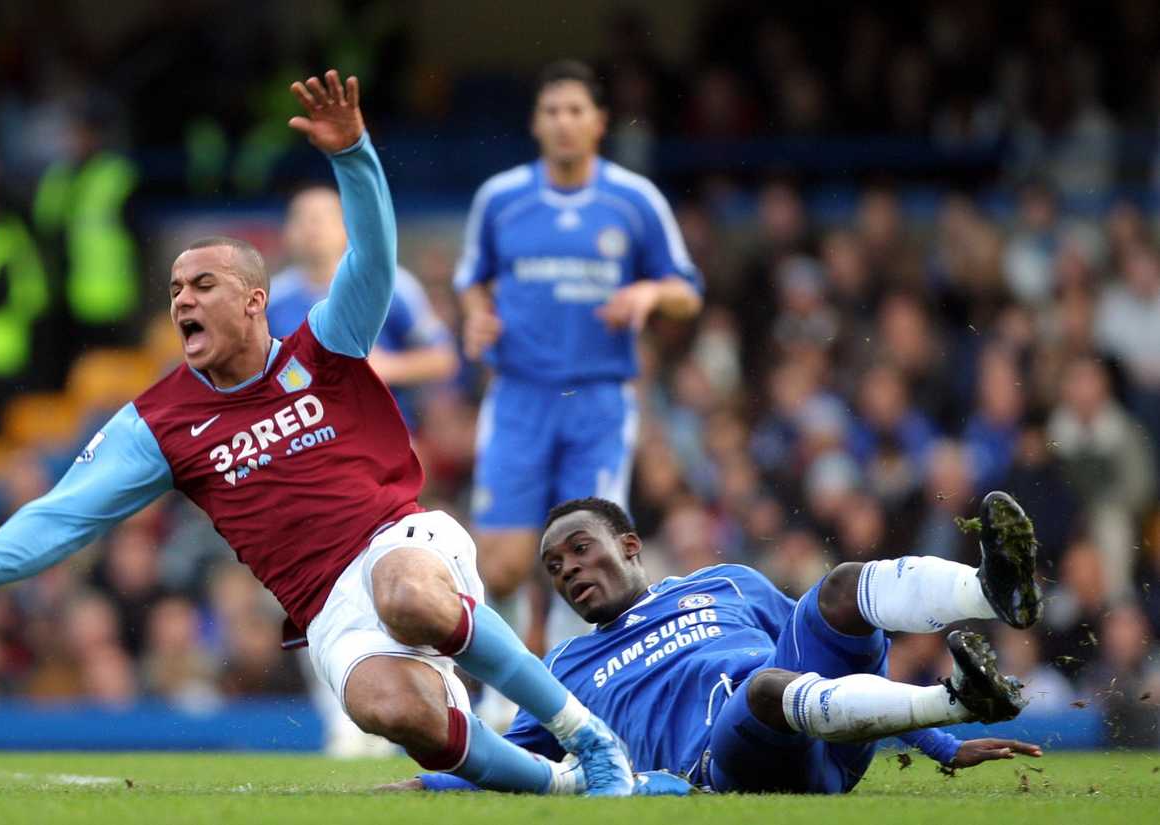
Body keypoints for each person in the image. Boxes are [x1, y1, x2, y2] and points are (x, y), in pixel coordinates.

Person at [0, 70, 672, 797]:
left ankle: (590, 737)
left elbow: (375, 262)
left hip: (403, 539)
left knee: (408, 593)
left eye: (203, 284)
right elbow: (66, 513)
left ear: (255, 300)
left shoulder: (324, 348)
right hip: (324, 606)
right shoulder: (160, 421)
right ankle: (562, 788)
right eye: (176, 288)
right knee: (388, 710)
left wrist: (354, 155)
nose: (183, 300)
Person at [399, 491, 1045, 793]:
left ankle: (994, 593)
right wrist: (432, 785)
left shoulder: (728, 582)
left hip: (833, 735)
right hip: (733, 756)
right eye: (554, 565)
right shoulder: (563, 665)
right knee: (765, 688)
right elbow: (513, 763)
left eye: (578, 547)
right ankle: (956, 698)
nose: (566, 568)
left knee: (841, 588)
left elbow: (820, 643)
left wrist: (941, 749)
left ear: (629, 546)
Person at [455, 60, 703, 652]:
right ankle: (505, 695)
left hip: (597, 400)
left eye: (575, 111)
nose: (564, 122)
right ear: (536, 123)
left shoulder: (634, 200)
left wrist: (650, 291)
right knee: (504, 566)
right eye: (552, 111)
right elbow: (472, 279)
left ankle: (574, 690)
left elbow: (688, 293)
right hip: (519, 395)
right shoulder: (501, 199)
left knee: (590, 560)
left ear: (599, 123)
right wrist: (474, 316)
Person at [267, 184, 457, 431]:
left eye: (323, 218)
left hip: (382, 434)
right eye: (301, 218)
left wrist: (389, 367)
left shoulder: (389, 286)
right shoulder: (270, 301)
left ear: (347, 227)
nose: (312, 228)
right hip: (304, 444)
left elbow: (443, 358)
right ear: (287, 232)